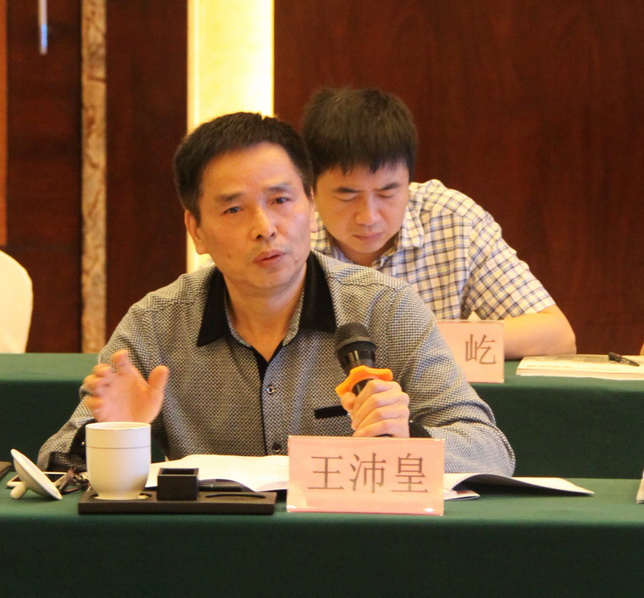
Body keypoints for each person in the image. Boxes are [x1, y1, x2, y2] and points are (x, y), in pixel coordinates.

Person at [38, 112, 514, 476]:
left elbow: (490, 449)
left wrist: (408, 436)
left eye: (281, 200)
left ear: (310, 206)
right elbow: (57, 462)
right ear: (196, 231)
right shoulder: (156, 324)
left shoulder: (385, 307)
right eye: (233, 210)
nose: (264, 227)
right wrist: (114, 435)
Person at [302, 88, 576, 359]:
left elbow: (557, 335)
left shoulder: (453, 220)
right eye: (347, 196)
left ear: (408, 183)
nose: (369, 217)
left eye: (387, 194)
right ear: (310, 189)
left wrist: (421, 339)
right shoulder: (291, 235)